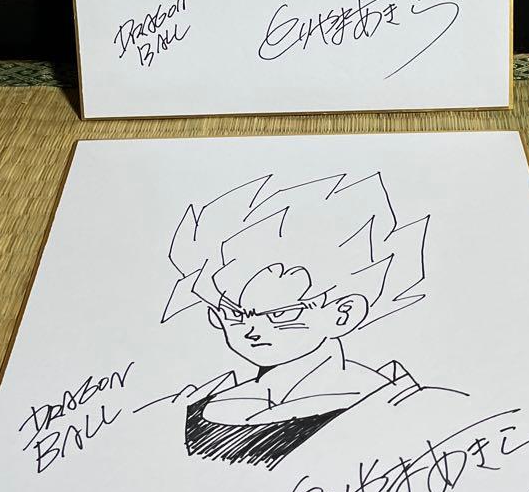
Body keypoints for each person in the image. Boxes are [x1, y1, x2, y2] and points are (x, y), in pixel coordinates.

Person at [163, 171, 429, 467]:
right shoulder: (199, 405)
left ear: (344, 314)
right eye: (233, 313)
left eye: (279, 314)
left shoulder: (390, 405)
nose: (251, 330)